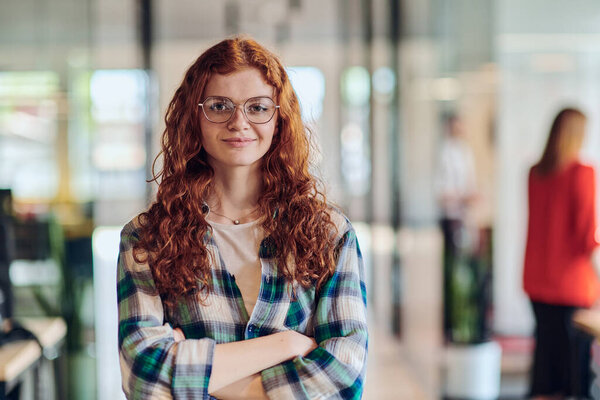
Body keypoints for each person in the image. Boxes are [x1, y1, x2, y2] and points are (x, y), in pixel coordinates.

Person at [117, 37, 368, 399]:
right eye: (219, 106)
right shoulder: (148, 239)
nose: (239, 122)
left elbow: (346, 375)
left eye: (258, 107)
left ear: (279, 119)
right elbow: (144, 376)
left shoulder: (329, 233)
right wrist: (284, 345)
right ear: (195, 117)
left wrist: (199, 376)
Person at [523, 107, 599, 399]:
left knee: (546, 366)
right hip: (571, 288)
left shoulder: (535, 174)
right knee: (573, 376)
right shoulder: (582, 173)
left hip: (538, 283)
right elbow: (586, 238)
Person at [434, 113, 478, 342]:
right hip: (450, 217)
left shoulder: (464, 152)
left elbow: (469, 184)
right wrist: (461, 198)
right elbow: (442, 192)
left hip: (463, 217)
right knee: (451, 272)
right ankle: (449, 325)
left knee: (464, 271)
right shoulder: (445, 153)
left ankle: (461, 323)